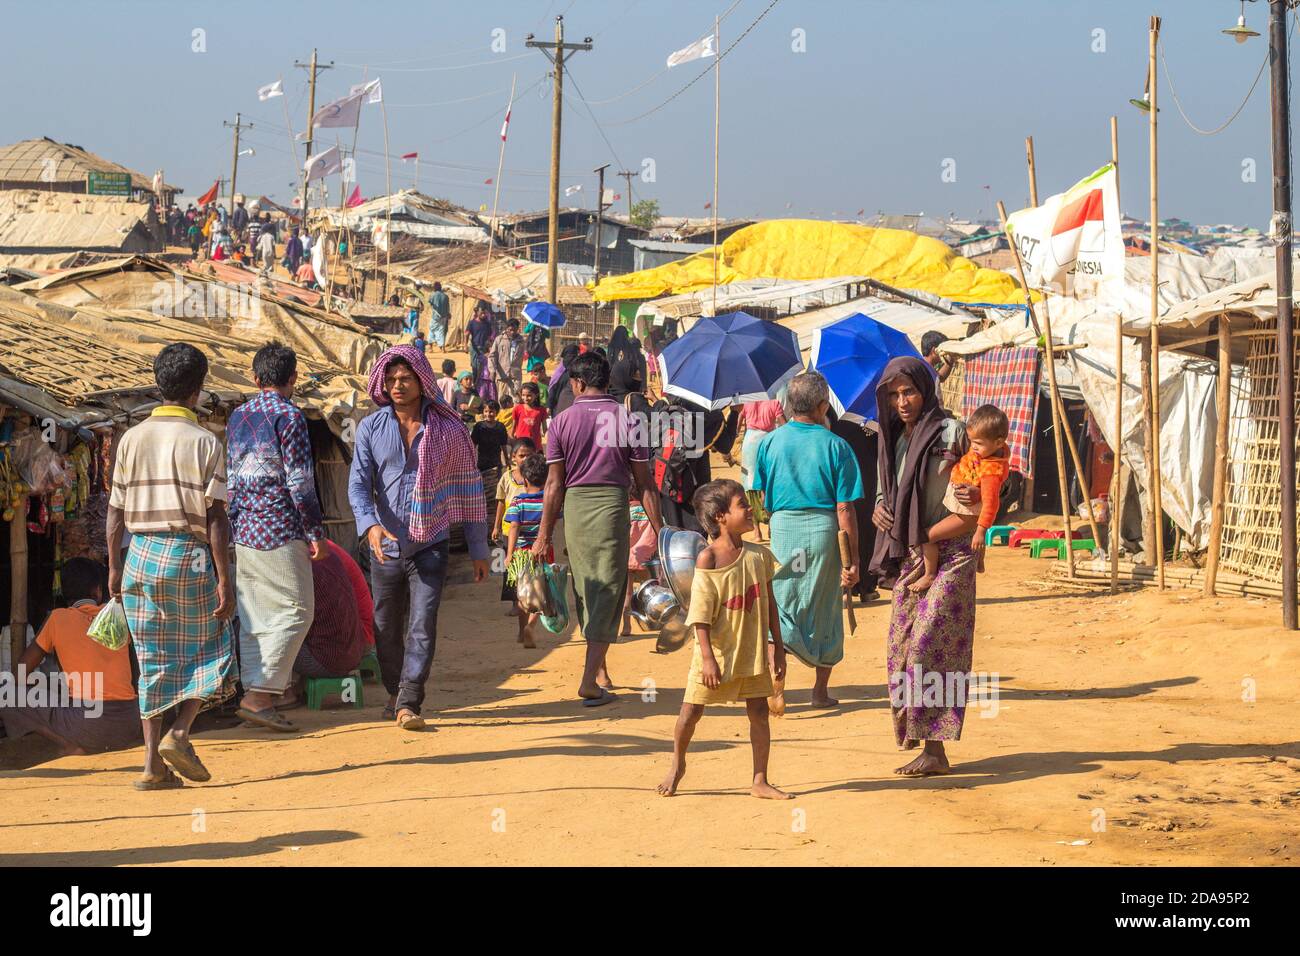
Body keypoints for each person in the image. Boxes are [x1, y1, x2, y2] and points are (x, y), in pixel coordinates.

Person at [107, 343, 237, 790]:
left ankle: (150, 766)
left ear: (158, 384)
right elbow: (216, 517)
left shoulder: (130, 439)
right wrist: (225, 577)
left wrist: (112, 569)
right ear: (198, 390)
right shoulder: (205, 442)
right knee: (214, 647)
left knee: (152, 661)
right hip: (189, 555)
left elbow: (114, 513)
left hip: (139, 556)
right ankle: (179, 732)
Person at [348, 346, 490, 731]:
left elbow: (470, 488)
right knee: (385, 625)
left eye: (405, 379)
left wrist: (479, 550)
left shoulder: (449, 430)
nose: (397, 385)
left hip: (432, 543)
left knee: (422, 623)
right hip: (385, 547)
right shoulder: (370, 429)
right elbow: (359, 485)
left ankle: (410, 700)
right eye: (391, 379)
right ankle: (396, 692)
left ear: (422, 382)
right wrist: (370, 524)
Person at [869, 356, 980, 777]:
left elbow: (979, 495)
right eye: (894, 394)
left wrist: (974, 501)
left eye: (909, 391)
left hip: (951, 555)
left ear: (926, 390)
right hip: (912, 557)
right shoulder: (895, 440)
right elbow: (887, 493)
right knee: (900, 650)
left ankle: (936, 750)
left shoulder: (953, 434)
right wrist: (881, 510)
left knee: (932, 648)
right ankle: (917, 733)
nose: (902, 401)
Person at [532, 351, 662, 706]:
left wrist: (544, 534)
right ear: (606, 382)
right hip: (610, 508)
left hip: (574, 509)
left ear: (577, 383)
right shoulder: (628, 420)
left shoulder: (559, 422)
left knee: (587, 588)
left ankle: (599, 671)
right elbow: (645, 483)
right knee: (608, 588)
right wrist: (660, 530)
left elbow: (553, 485)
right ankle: (589, 681)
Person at [655, 479, 790, 799]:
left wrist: (778, 647)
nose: (750, 509)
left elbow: (770, 603)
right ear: (720, 516)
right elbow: (700, 616)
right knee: (691, 712)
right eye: (742, 504)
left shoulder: (759, 555)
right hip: (715, 651)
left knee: (758, 712)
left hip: (751, 650)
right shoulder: (708, 559)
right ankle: (677, 764)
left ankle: (760, 780)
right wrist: (706, 658)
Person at [226, 342, 327, 732]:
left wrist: (235, 523)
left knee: (255, 618)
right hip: (281, 527)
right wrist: (313, 530)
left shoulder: (237, 417)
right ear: (293, 379)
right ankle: (258, 697)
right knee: (297, 610)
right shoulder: (290, 416)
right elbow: (299, 481)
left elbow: (232, 479)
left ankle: (257, 695)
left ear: (254, 378)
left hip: (245, 528)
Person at [752, 371, 860, 714]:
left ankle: (776, 684)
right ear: (822, 405)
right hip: (823, 532)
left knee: (780, 601)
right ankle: (819, 691)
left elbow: (763, 497)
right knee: (826, 604)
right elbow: (845, 508)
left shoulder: (769, 443)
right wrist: (851, 560)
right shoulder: (836, 445)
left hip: (783, 530)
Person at [1, 558, 142, 755]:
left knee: (6, 693)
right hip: (131, 722)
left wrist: (47, 686)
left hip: (88, 726)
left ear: (63, 593)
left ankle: (68, 745)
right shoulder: (117, 616)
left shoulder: (58, 618)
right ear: (97, 590)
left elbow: (19, 675)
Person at [904, 403, 1010, 591]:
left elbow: (990, 504)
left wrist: (980, 532)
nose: (972, 446)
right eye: (971, 441)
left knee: (926, 537)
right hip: (964, 510)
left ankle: (929, 575)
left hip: (967, 514)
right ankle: (979, 558)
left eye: (978, 443)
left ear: (999, 442)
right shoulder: (989, 452)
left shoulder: (991, 471)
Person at [290, 541, 366, 687]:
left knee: (270, 636)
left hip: (327, 661)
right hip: (354, 652)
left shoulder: (303, 567)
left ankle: (285, 693)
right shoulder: (330, 554)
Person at [829, 411, 882, 603]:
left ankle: (846, 587)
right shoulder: (871, 413)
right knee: (864, 527)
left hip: (844, 477)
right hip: (866, 476)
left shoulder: (832, 410)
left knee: (843, 527)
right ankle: (866, 587)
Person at [504, 452, 550, 648]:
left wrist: (509, 554)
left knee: (522, 593)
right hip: (543, 552)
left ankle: (521, 631)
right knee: (540, 593)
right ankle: (531, 626)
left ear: (524, 480)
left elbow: (513, 527)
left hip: (521, 553)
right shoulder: (549, 502)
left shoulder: (519, 502)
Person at [738, 398, 786, 541]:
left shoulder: (748, 401)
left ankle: (757, 532)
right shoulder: (774, 403)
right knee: (769, 484)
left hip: (749, 443)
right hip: (768, 442)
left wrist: (736, 432)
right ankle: (771, 528)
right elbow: (783, 423)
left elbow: (740, 416)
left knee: (750, 485)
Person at [493, 437, 536, 547]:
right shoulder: (506, 477)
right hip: (509, 528)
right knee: (511, 558)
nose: (526, 459)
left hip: (531, 529)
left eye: (529, 455)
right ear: (513, 457)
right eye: (521, 456)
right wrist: (496, 527)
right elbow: (501, 502)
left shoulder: (538, 478)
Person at [471, 400, 510, 513]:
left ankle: (494, 509)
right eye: (486, 411)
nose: (488, 414)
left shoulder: (500, 427)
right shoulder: (479, 427)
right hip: (481, 462)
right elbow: (473, 445)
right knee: (481, 485)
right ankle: (481, 508)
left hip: (495, 461)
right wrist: (470, 460)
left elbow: (503, 445)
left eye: (491, 412)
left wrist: (506, 461)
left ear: (496, 412)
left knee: (495, 487)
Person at [491, 318, 524, 401]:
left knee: (516, 400)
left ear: (518, 329)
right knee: (502, 401)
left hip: (515, 376)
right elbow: (492, 356)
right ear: (506, 328)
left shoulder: (521, 341)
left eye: (515, 330)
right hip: (502, 376)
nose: (512, 332)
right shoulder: (499, 339)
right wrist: (492, 370)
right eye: (510, 330)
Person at [467, 304, 493, 385]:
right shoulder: (472, 323)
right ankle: (474, 383)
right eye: (482, 313)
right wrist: (465, 345)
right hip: (474, 348)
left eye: (485, 313)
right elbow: (466, 333)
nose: (484, 315)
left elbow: (489, 337)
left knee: (483, 367)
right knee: (475, 367)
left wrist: (490, 347)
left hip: (484, 349)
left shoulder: (487, 324)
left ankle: (479, 385)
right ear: (477, 312)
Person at [428, 281, 450, 350]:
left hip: (435, 316)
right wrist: (448, 314)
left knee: (432, 330)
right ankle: (442, 347)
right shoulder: (446, 296)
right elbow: (448, 307)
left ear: (434, 288)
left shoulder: (433, 295)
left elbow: (430, 303)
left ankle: (430, 347)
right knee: (441, 331)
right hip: (443, 316)